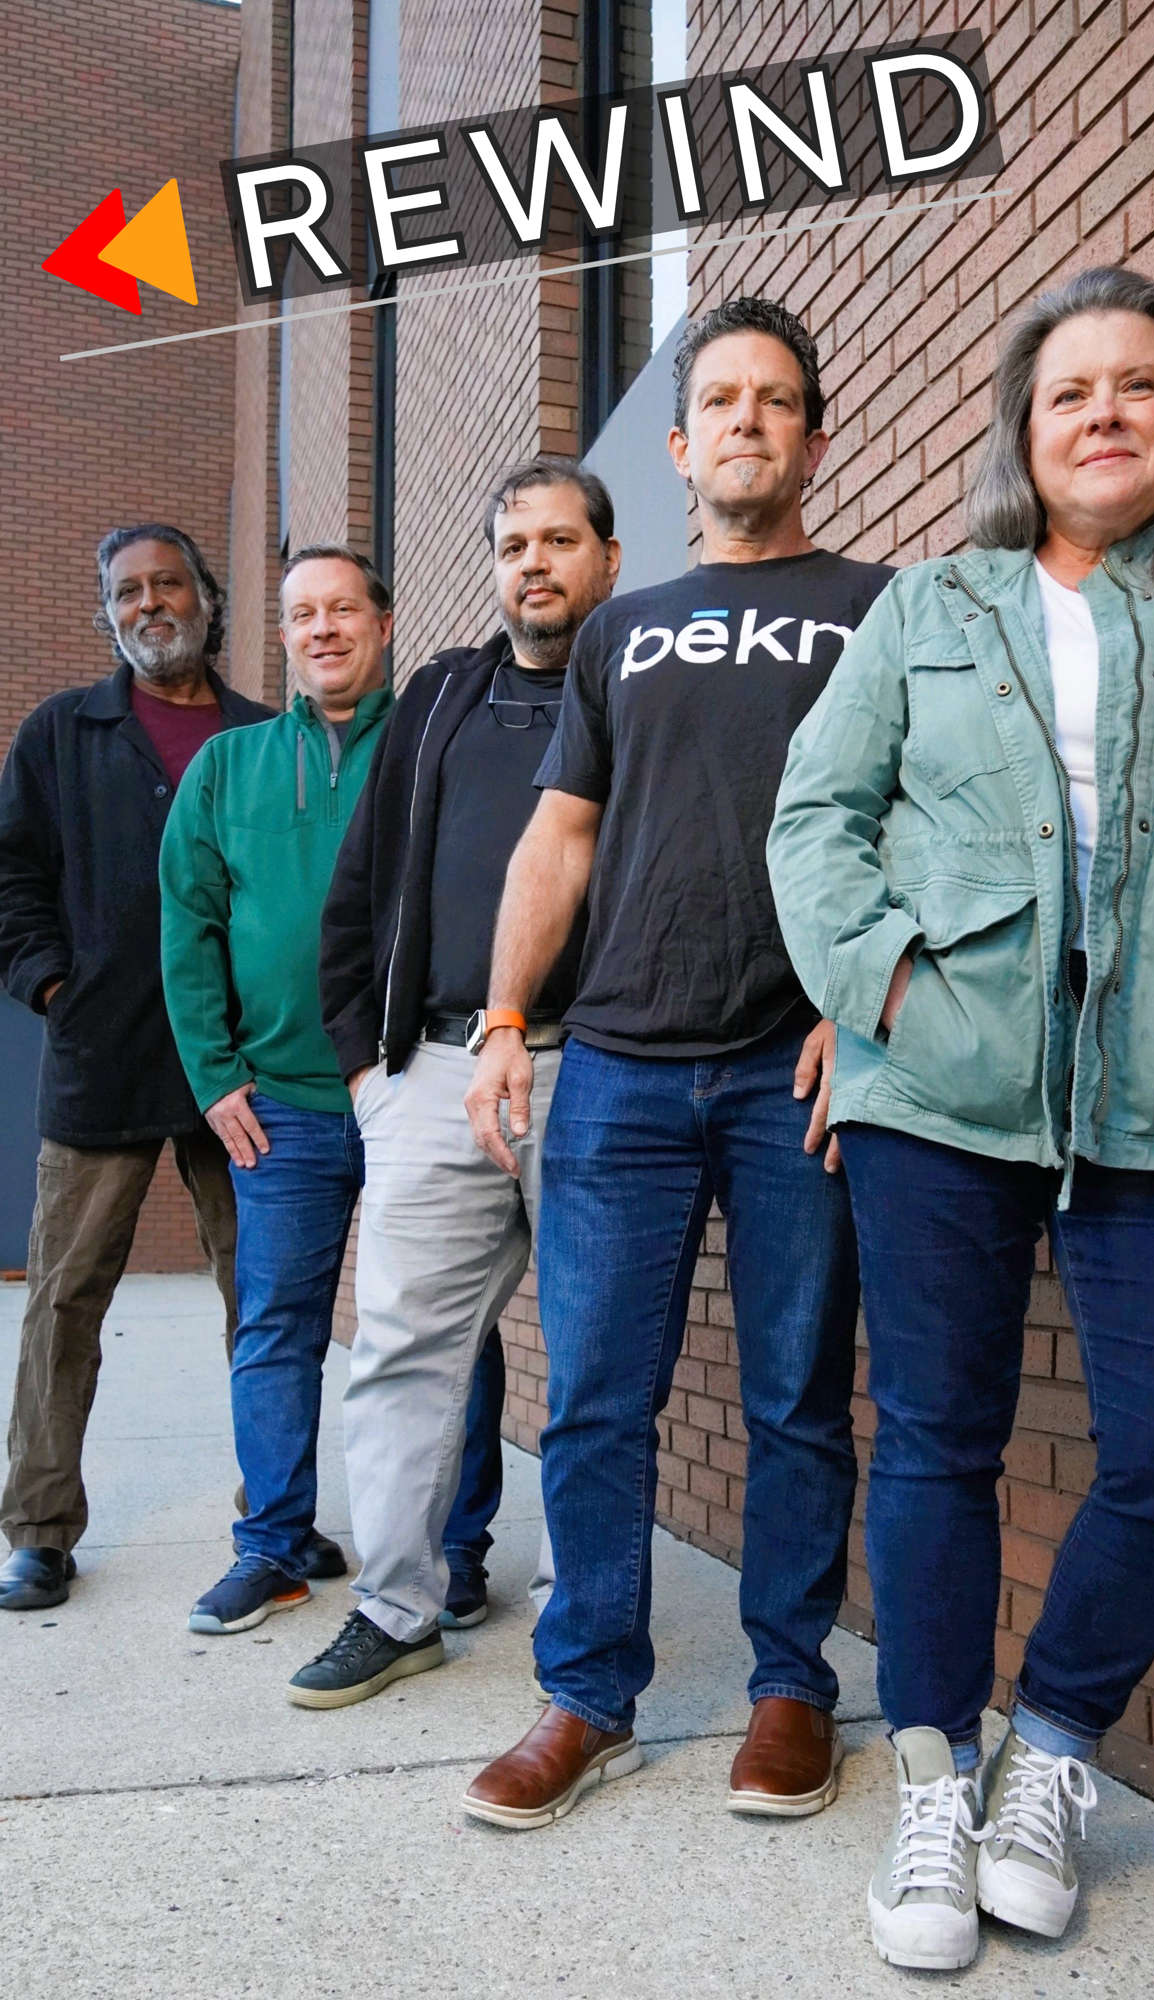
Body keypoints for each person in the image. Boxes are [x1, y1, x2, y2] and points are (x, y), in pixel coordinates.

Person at [767, 266, 1154, 1971]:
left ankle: (1046, 1747)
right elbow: (813, 823)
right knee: (933, 1431)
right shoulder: (929, 603)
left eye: (1137, 386)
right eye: (1068, 392)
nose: (1103, 417)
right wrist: (886, 994)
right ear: (1020, 426)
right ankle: (931, 1771)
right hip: (939, 1090)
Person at [461, 298, 892, 1831]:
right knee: (592, 1399)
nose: (748, 422)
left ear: (813, 438)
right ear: (678, 444)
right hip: (623, 1074)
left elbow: (920, 821)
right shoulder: (619, 634)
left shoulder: (879, 608)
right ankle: (586, 1694)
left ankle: (789, 1685)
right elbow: (559, 835)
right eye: (722, 401)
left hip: (794, 1068)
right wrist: (507, 1020)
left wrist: (865, 996)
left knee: (792, 1398)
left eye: (777, 400)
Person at [288, 457, 620, 1709]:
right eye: (512, 544)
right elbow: (364, 879)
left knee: (597, 1363)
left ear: (607, 560)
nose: (532, 562)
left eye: (557, 540)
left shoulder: (636, 686)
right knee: (401, 1349)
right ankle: (395, 1602)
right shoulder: (438, 697)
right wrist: (365, 1061)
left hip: (595, 1065)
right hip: (428, 1066)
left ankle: (589, 1619)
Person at [0, 525, 271, 1611]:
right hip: (101, 1055)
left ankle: (277, 1514)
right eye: (128, 590)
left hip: (238, 1065)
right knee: (64, 1297)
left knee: (263, 1296)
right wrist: (52, 987)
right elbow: (12, 876)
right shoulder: (63, 732)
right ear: (105, 611)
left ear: (209, 597)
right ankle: (38, 1526)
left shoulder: (264, 735)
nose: (151, 602)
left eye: (169, 583)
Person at [159, 545, 395, 1633]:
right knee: (276, 1327)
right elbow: (189, 927)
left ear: (379, 624)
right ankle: (277, 1543)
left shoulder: (426, 746)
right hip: (283, 1105)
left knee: (441, 1326)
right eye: (303, 613)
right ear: (285, 635)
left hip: (407, 1089)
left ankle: (456, 1544)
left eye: (343, 608)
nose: (324, 628)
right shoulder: (227, 765)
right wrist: (216, 1077)